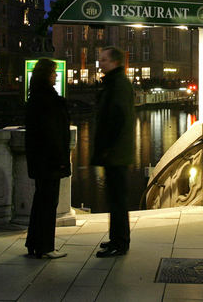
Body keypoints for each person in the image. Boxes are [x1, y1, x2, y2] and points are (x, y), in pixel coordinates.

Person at [24, 58, 71, 259]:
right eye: (53, 72)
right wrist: (61, 159)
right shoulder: (48, 100)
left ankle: (34, 244)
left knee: (40, 201)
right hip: (50, 160)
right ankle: (45, 247)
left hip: (39, 159)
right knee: (48, 203)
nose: (56, 75)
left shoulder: (35, 97)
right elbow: (53, 133)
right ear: (46, 75)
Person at [92, 46, 134, 257]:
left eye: (105, 60)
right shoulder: (115, 83)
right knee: (115, 199)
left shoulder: (117, 85)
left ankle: (120, 242)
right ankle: (116, 239)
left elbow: (116, 119)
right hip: (116, 151)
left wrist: (107, 147)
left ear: (115, 62)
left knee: (117, 200)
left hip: (116, 152)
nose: (101, 63)